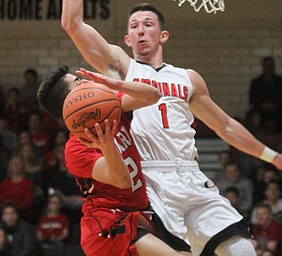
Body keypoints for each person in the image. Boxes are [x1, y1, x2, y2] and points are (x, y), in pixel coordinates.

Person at [61, 2, 282, 255]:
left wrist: (273, 156)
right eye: (134, 27)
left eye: (148, 25)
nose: (140, 31)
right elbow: (73, 24)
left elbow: (225, 126)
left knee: (242, 248)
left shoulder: (188, 78)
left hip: (191, 175)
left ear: (163, 35)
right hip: (151, 181)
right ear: (127, 39)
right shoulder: (121, 67)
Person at [37, 65, 191, 256]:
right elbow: (122, 180)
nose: (85, 81)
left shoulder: (108, 106)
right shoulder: (75, 149)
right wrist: (107, 144)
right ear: (71, 102)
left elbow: (153, 95)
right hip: (108, 224)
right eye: (78, 82)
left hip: (139, 212)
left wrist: (115, 84)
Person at [248, 56, 282, 131]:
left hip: (278, 111)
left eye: (270, 65)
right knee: (252, 116)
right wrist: (263, 105)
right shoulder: (256, 82)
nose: (268, 68)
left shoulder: (281, 82)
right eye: (266, 65)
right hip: (261, 111)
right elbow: (252, 99)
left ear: (273, 67)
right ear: (263, 67)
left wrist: (274, 105)